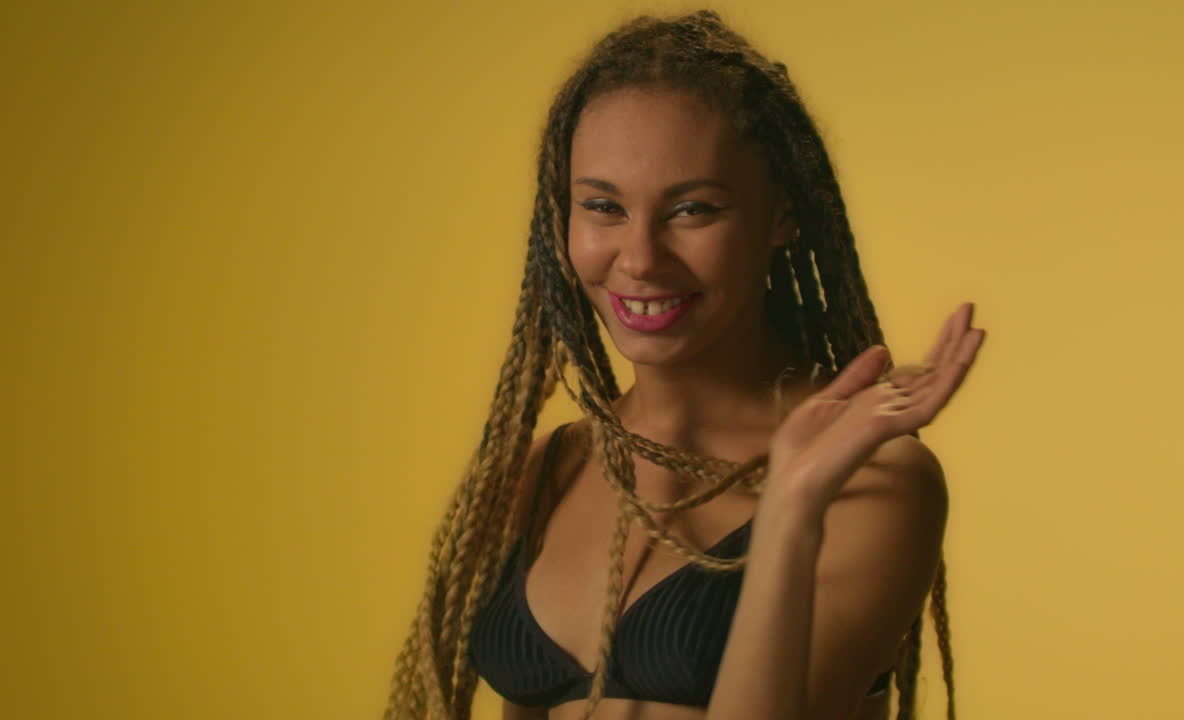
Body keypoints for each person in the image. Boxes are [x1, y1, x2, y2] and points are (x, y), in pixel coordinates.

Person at [384, 9, 985, 720]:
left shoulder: (871, 482)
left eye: (693, 209)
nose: (639, 259)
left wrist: (792, 511)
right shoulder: (541, 475)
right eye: (603, 206)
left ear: (782, 215)